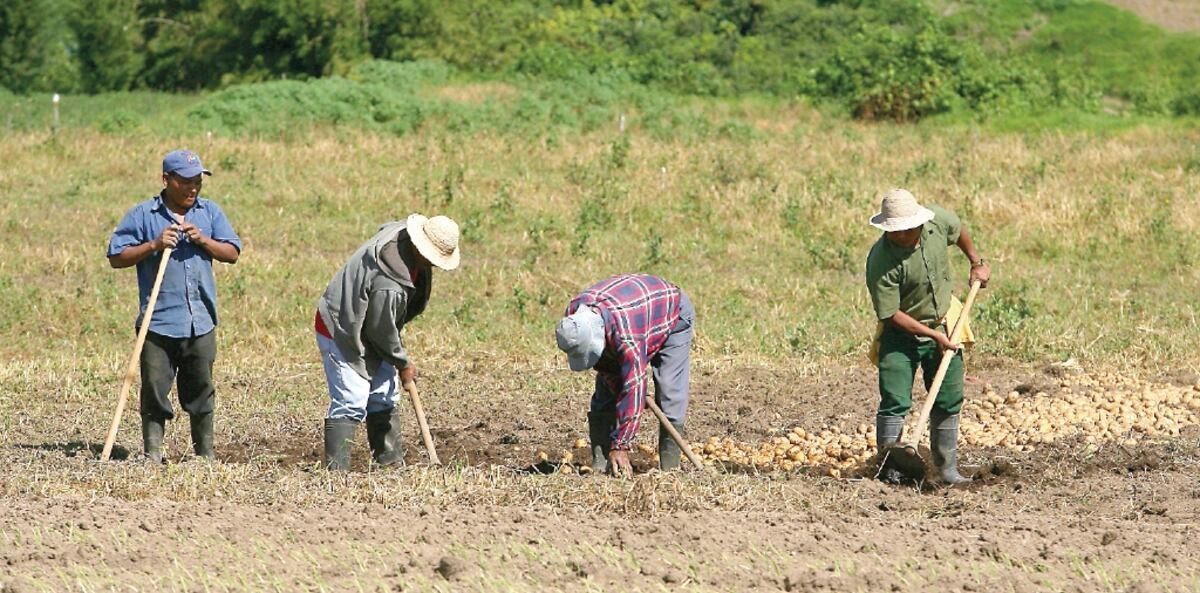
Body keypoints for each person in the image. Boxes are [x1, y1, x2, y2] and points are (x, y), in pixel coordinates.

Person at [107, 149, 242, 463]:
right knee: (154, 388)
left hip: (201, 321)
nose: (192, 188)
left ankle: (204, 454)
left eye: (197, 182)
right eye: (185, 182)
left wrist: (204, 241)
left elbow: (232, 252)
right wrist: (154, 245)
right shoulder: (143, 215)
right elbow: (116, 257)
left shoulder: (209, 212)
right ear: (166, 180)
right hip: (158, 323)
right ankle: (153, 453)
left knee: (201, 388)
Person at [865, 188, 990, 485]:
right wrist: (932, 336)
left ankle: (945, 469)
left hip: (945, 323)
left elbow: (957, 229)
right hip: (901, 333)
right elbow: (890, 313)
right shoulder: (881, 260)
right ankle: (889, 470)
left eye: (907, 230)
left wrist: (976, 261)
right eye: (895, 232)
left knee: (948, 398)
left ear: (919, 223)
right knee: (894, 399)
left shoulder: (936, 222)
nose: (902, 236)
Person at [316, 214, 460, 470]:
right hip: (342, 325)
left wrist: (395, 355)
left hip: (369, 320)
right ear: (421, 248)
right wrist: (403, 363)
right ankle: (336, 473)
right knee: (352, 397)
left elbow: (382, 327)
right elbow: (381, 330)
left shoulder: (402, 235)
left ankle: (389, 463)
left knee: (384, 393)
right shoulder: (389, 284)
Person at [555, 274, 695, 477]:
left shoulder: (626, 337)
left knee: (669, 391)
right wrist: (620, 388)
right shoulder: (572, 321)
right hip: (636, 311)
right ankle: (601, 465)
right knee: (605, 393)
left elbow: (634, 385)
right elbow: (607, 370)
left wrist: (621, 445)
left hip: (669, 312)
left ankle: (670, 470)